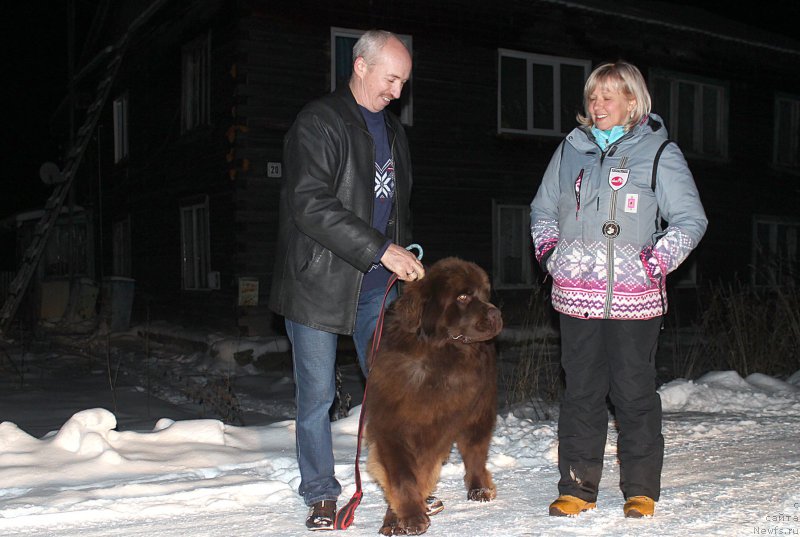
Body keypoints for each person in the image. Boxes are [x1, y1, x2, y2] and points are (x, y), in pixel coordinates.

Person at [529, 61, 707, 518]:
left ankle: (640, 490)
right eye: (593, 96)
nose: (598, 104)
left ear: (632, 101)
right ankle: (577, 487)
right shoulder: (571, 149)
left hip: (635, 300)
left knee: (633, 393)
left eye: (609, 96)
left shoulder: (659, 151)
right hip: (576, 297)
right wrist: (551, 254)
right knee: (581, 393)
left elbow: (690, 219)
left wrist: (654, 263)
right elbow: (542, 209)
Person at [268, 30, 426, 530]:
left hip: (378, 289)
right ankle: (320, 492)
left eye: (403, 83)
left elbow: (396, 208)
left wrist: (401, 256)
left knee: (392, 393)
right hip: (318, 286)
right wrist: (381, 248)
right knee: (317, 398)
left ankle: (403, 486)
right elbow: (310, 204)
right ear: (360, 66)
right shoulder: (319, 122)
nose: (397, 92)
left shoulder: (394, 132)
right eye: (391, 79)